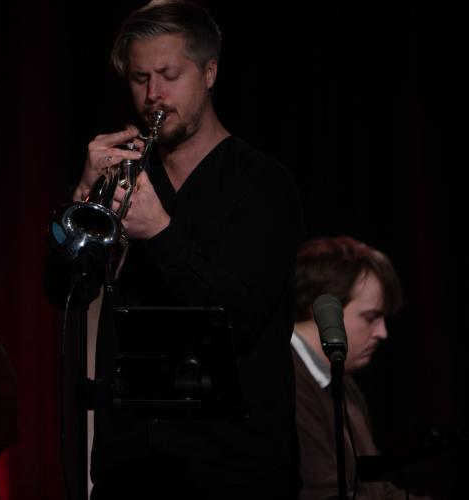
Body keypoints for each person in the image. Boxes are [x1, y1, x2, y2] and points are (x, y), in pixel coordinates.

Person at [46, 1, 303, 497]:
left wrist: (161, 231)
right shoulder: (126, 177)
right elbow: (63, 293)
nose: (153, 95)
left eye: (169, 75)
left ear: (209, 72)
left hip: (233, 469)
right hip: (131, 466)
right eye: (140, 78)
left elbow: (242, 316)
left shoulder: (263, 184)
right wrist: (81, 194)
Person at [292, 236, 418, 499]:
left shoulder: (342, 382)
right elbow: (323, 495)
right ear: (325, 310)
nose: (382, 332)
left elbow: (378, 488)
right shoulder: (287, 383)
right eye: (371, 318)